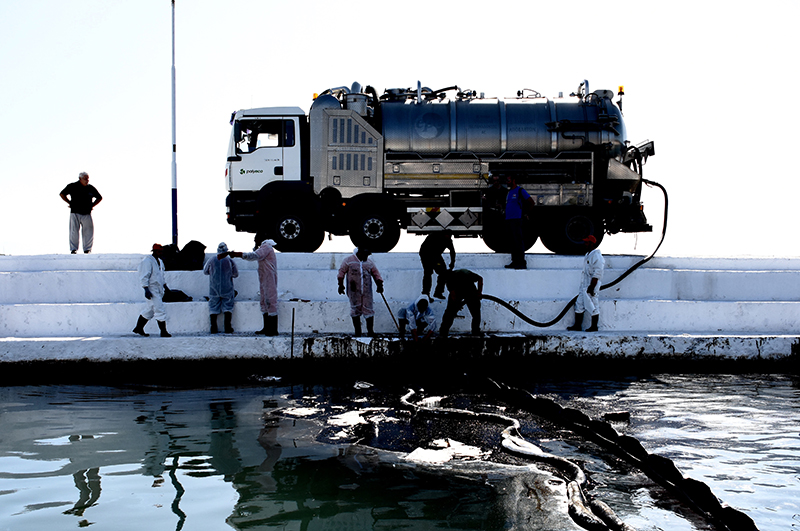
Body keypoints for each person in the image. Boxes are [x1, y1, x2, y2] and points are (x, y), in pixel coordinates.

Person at [230, 236, 278, 336]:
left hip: (268, 277)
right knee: (264, 302)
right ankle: (267, 328)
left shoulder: (266, 247)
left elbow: (254, 256)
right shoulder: (265, 248)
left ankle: (272, 330)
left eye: (256, 240)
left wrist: (239, 254)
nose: (255, 242)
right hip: (264, 277)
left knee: (270, 301)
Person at [337, 248, 384, 337]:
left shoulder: (369, 263)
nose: (366, 257)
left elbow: (376, 274)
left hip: (367, 292)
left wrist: (380, 285)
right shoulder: (348, 261)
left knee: (369, 310)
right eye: (365, 255)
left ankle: (370, 331)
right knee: (355, 310)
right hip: (354, 291)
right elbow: (341, 272)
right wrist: (340, 285)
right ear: (359, 253)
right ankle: (358, 332)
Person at [567, 235, 605, 332]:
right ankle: (577, 325)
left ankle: (594, 326)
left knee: (593, 305)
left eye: (587, 242)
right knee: (579, 304)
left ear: (592, 243)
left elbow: (597, 273)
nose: (585, 244)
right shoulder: (588, 255)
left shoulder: (597, 257)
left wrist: (592, 287)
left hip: (591, 285)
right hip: (584, 285)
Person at [133, 244, 171, 337]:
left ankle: (138, 328)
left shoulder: (160, 262)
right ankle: (163, 331)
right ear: (154, 251)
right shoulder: (147, 261)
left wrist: (165, 287)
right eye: (158, 251)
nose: (160, 253)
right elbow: (144, 275)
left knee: (150, 310)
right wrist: (146, 289)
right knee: (159, 309)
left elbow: (161, 276)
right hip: (151, 288)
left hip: (159, 288)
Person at [59, 172, 102, 254]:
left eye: (88, 178)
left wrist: (92, 205)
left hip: (86, 213)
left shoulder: (90, 188)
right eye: (85, 179)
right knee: (74, 231)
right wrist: (69, 202)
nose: (87, 180)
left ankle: (87, 249)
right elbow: (62, 194)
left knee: (88, 231)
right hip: (75, 212)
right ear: (80, 179)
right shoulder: (72, 186)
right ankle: (73, 249)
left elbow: (99, 197)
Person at [204, 242, 239, 334]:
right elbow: (236, 274)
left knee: (213, 307)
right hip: (227, 288)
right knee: (228, 306)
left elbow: (205, 271)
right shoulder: (230, 261)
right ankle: (227, 327)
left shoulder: (212, 260)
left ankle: (213, 328)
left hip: (214, 288)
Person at [439, 269, 483, 337]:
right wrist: (457, 304)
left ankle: (476, 331)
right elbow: (453, 295)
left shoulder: (465, 274)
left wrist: (479, 292)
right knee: (450, 312)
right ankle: (443, 331)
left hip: (470, 291)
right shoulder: (450, 280)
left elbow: (480, 279)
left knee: (475, 311)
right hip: (459, 292)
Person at [504, 176, 535, 269]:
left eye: (509, 180)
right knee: (512, 242)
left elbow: (531, 202)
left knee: (518, 241)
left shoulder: (520, 191)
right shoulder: (509, 192)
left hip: (516, 219)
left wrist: (526, 213)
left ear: (514, 180)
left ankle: (521, 262)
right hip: (509, 219)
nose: (507, 182)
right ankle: (514, 261)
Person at [419, 230, 455, 300]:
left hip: (436, 255)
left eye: (449, 236)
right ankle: (425, 294)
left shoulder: (448, 240)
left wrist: (452, 262)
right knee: (428, 273)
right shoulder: (434, 236)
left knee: (443, 273)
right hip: (426, 254)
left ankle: (438, 292)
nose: (448, 237)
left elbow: (452, 251)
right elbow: (426, 249)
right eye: (447, 236)